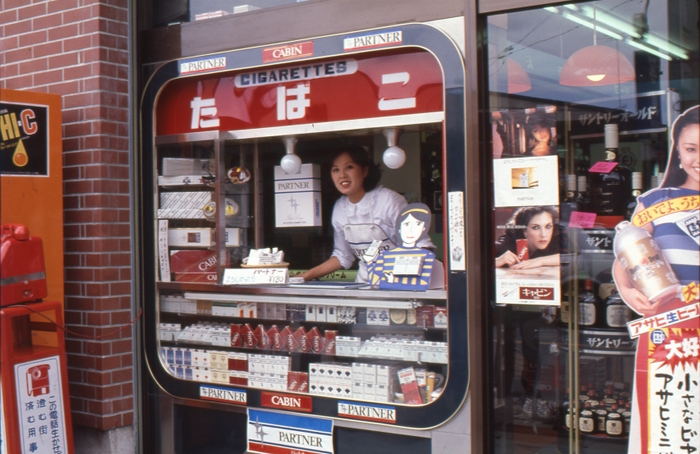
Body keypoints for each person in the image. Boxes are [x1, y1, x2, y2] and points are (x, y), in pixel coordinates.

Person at [299, 145, 434, 283]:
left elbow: (422, 245)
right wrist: (304, 277)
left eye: (349, 167)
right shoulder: (340, 208)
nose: (342, 175)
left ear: (365, 170)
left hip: (398, 284)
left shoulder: (388, 200)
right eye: (336, 170)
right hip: (365, 286)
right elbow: (343, 256)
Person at [612, 105, 700, 316]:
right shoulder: (657, 201)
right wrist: (627, 291)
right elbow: (627, 255)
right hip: (672, 321)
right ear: (677, 151)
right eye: (691, 149)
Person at [495, 206, 560, 269]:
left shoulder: (556, 237)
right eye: (536, 227)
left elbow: (568, 257)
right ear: (524, 230)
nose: (544, 234)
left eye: (548, 226)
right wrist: (498, 260)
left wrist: (540, 261)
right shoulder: (508, 242)